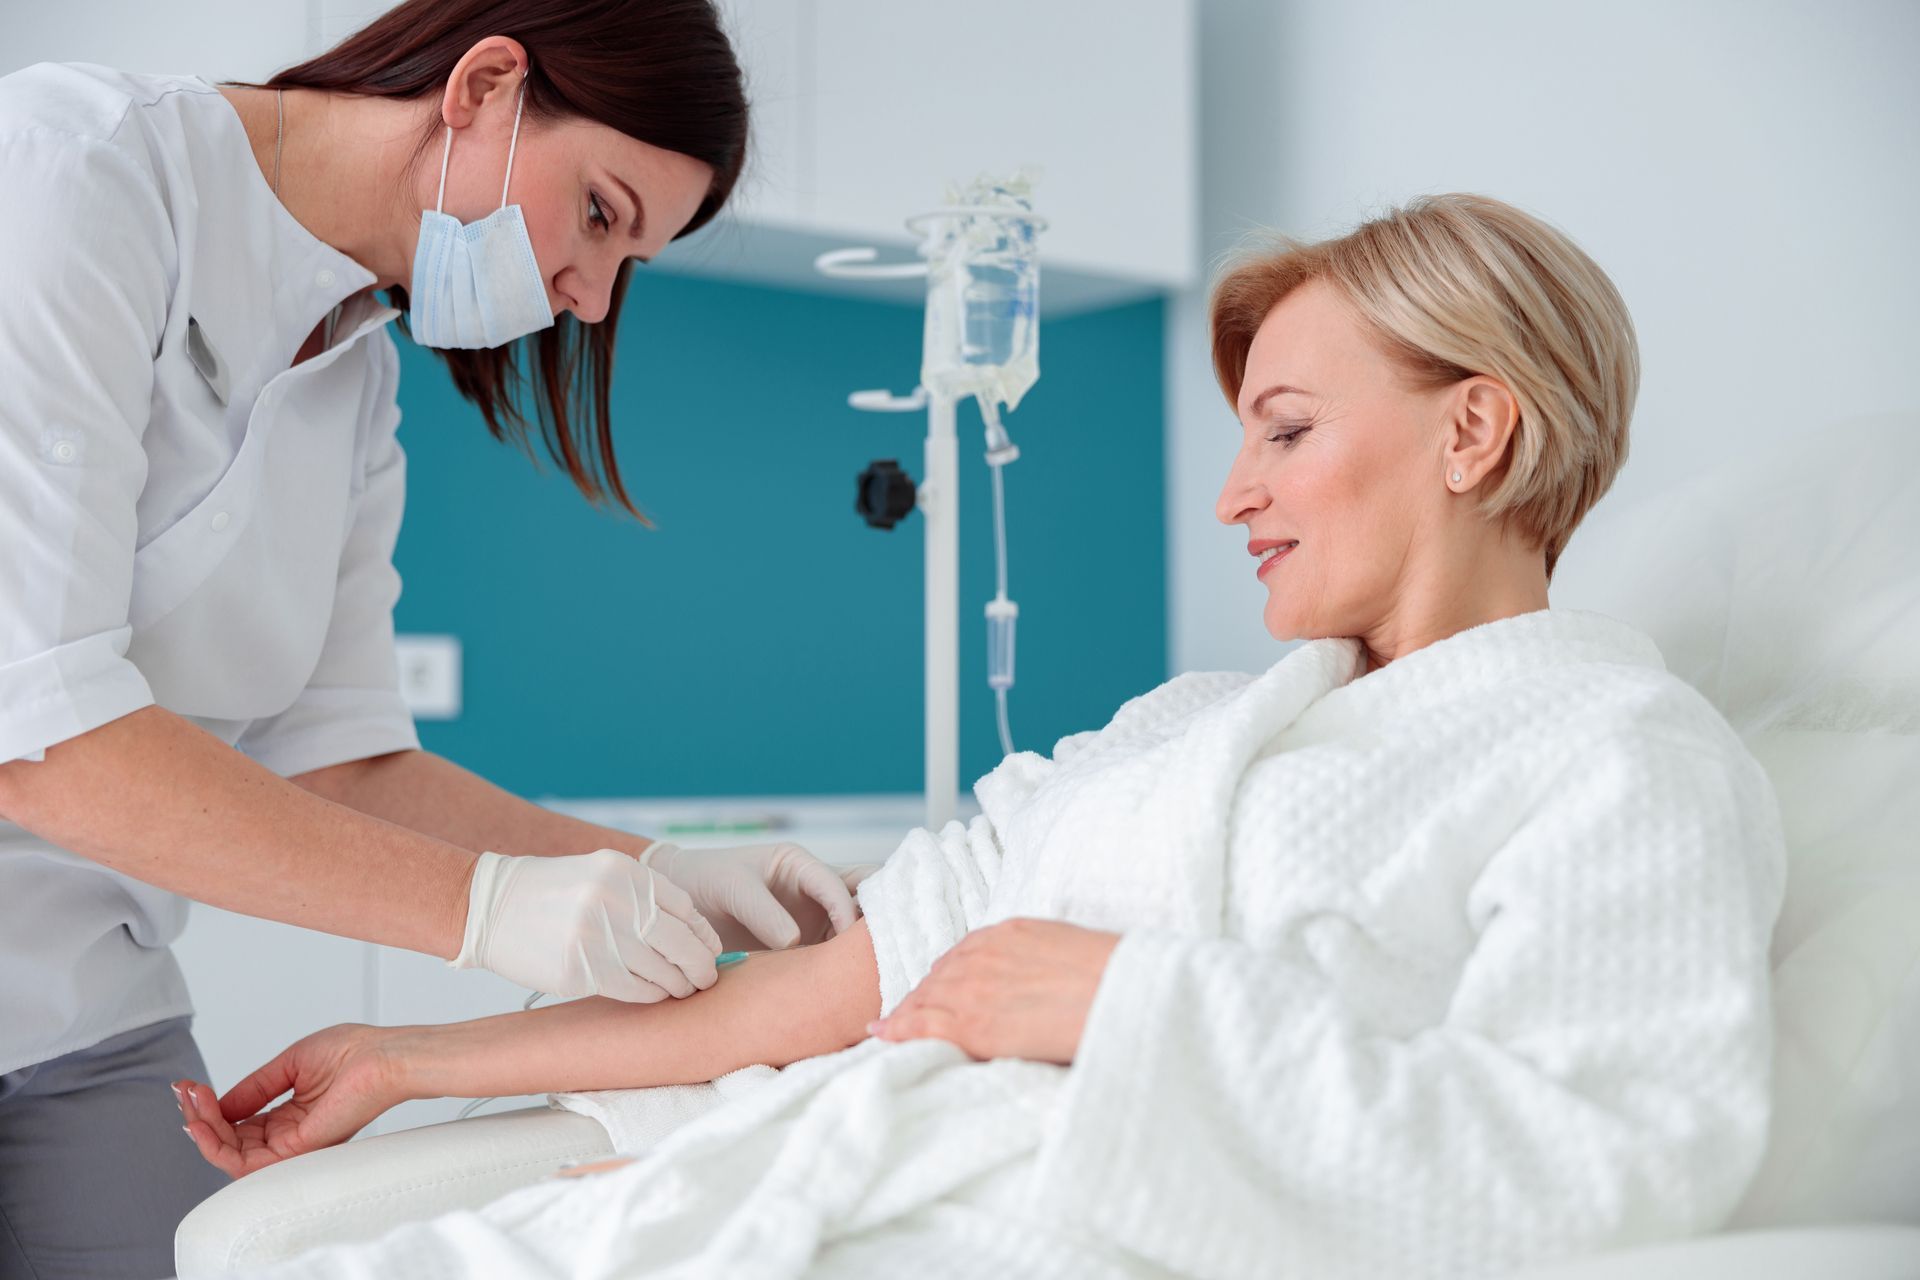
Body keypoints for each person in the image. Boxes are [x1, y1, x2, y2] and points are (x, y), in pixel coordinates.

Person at [180, 194, 1786, 1279]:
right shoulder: (1192, 730)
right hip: (883, 1167)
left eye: (1287, 430)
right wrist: (402, 1061)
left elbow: (1610, 1159)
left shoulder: (1617, 755)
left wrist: (1129, 1005)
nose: (1234, 492)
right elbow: (809, 1000)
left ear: (1475, 426)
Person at [0, 5, 864, 1277]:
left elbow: (346, 760)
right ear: (486, 84)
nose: (589, 297)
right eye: (602, 217)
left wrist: (660, 868)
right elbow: (40, 734)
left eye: (630, 265)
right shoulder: (77, 174)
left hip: (89, 1003)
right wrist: (488, 908)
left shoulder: (355, 382)